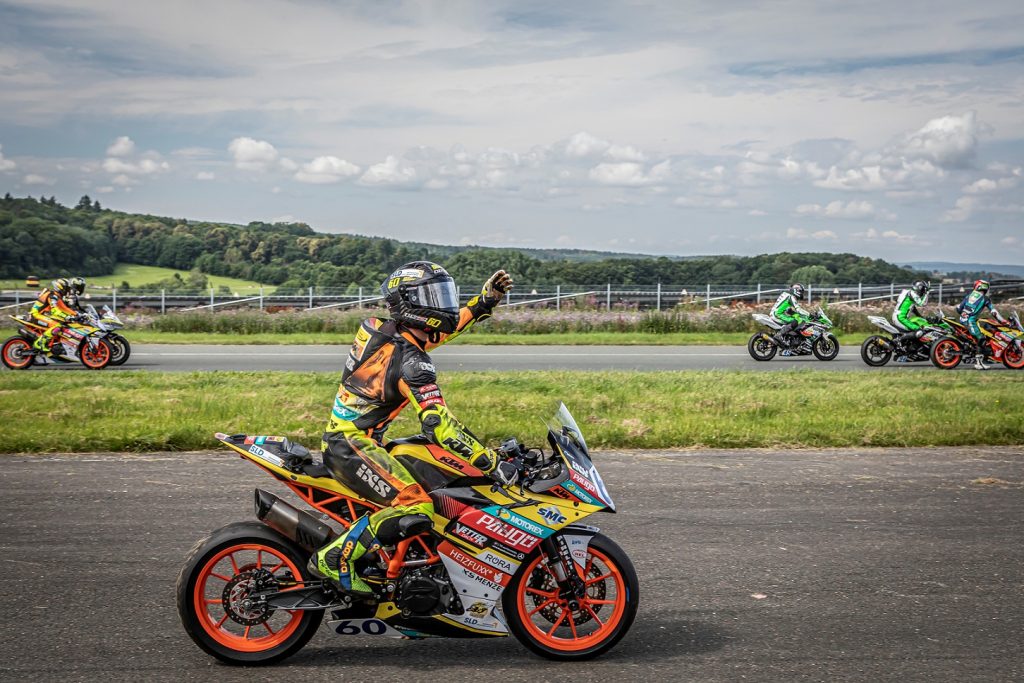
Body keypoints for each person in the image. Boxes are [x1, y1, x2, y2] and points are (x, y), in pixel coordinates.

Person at [309, 262, 515, 595]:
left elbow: (437, 332)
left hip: (355, 440)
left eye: (443, 295)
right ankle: (334, 558)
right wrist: (492, 463)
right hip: (351, 447)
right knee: (416, 505)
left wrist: (483, 303)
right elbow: (440, 426)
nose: (443, 305)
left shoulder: (381, 329)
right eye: (433, 297)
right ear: (409, 303)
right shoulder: (412, 364)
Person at [957, 280, 1006, 370]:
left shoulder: (969, 295)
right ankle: (978, 363)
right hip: (970, 322)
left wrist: (966, 312)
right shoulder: (985, 299)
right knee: (981, 339)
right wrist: (1003, 321)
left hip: (962, 320)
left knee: (980, 334)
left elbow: (959, 309)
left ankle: (975, 354)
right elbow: (994, 312)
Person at [29, 278, 78, 352]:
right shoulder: (52, 296)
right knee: (57, 326)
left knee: (64, 324)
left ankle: (54, 343)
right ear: (60, 287)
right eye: (66, 288)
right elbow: (55, 310)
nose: (67, 291)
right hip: (36, 315)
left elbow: (64, 308)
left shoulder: (56, 296)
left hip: (43, 315)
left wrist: (77, 314)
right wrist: (67, 317)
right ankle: (40, 343)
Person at [891, 281, 931, 359]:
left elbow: (912, 308)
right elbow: (923, 304)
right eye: (923, 290)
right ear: (920, 289)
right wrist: (927, 293)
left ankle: (905, 346)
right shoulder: (913, 294)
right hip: (900, 318)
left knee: (914, 328)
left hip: (897, 316)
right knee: (920, 331)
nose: (923, 292)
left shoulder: (907, 292)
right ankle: (899, 340)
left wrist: (921, 317)